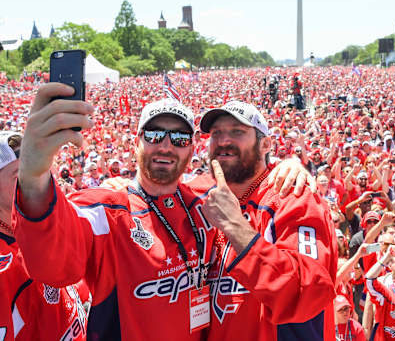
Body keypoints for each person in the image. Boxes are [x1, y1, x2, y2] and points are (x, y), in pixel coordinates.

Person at [13, 84, 313, 340]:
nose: (167, 146)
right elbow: (51, 264)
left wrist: (286, 165)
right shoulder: (105, 211)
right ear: (136, 143)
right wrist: (34, 177)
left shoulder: (206, 202)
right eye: (155, 135)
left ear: (192, 148)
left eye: (179, 139)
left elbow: (249, 186)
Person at [196, 100, 338, 340]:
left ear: (265, 144)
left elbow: (308, 289)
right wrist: (122, 187)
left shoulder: (292, 195)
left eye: (237, 131)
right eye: (216, 133)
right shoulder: (201, 194)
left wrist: (234, 225)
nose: (223, 141)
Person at [0, 131, 89, 341]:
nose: (35, 182)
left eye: (39, 170)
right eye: (20, 175)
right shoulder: (4, 271)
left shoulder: (55, 220)